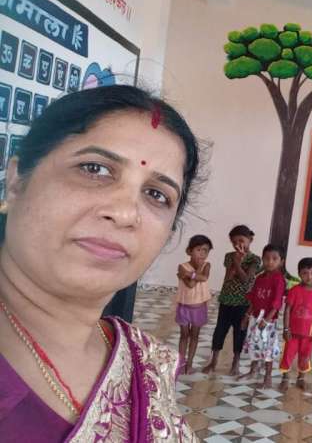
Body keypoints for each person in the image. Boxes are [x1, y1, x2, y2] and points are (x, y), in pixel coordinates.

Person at [0, 85, 201, 440]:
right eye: (95, 169)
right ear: (15, 182)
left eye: (156, 195)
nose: (125, 213)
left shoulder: (145, 364)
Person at [203, 225, 262, 376]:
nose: (238, 245)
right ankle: (213, 361)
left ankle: (235, 363)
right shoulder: (229, 256)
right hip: (226, 300)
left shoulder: (255, 259)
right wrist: (235, 262)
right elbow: (228, 277)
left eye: (241, 240)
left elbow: (246, 279)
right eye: (234, 242)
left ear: (250, 240)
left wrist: (238, 262)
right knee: (220, 330)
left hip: (243, 302)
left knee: (239, 332)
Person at [239, 244, 287, 388]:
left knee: (267, 348)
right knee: (254, 345)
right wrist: (246, 316)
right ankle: (253, 370)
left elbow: (277, 303)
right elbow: (254, 299)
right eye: (267, 258)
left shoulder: (279, 279)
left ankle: (268, 377)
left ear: (281, 261)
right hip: (255, 318)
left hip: (269, 321)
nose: (270, 262)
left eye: (274, 259)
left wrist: (267, 320)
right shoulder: (259, 278)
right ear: (262, 259)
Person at [279, 257, 312, 391]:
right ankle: (285, 378)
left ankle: (301, 378)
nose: (309, 277)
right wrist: (286, 329)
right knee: (288, 355)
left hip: (309, 334)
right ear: (299, 274)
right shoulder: (294, 290)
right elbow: (287, 310)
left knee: (305, 357)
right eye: (305, 273)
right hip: (293, 333)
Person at [176, 234, 213, 374]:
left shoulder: (207, 265)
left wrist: (190, 274)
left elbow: (204, 277)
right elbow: (191, 284)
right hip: (184, 307)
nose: (202, 254)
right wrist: (196, 272)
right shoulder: (182, 267)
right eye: (198, 250)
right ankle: (181, 363)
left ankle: (189, 364)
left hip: (199, 308)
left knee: (195, 335)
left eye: (205, 251)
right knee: (184, 335)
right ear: (189, 251)